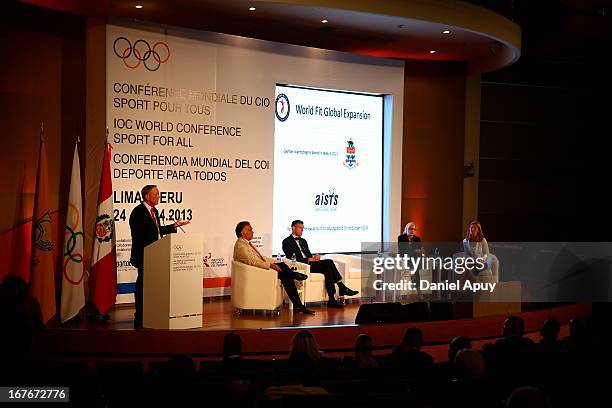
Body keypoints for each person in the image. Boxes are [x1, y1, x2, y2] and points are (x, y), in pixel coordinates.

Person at [129, 185, 190, 328]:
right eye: (155, 194)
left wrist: (174, 226)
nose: (158, 196)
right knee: (143, 286)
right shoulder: (138, 212)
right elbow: (138, 235)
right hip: (144, 255)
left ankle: (151, 313)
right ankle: (140, 316)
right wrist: (153, 248)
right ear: (147, 196)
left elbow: (157, 231)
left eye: (158, 194)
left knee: (152, 287)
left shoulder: (154, 211)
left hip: (155, 255)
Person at [233, 221, 314, 314]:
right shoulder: (241, 246)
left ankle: (298, 304)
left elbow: (261, 258)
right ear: (242, 233)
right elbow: (252, 261)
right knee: (286, 274)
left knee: (284, 270)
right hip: (256, 273)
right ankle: (297, 300)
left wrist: (275, 262)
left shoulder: (246, 243)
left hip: (259, 270)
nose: (253, 232)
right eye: (250, 230)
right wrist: (270, 265)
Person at [282, 220, 358, 308]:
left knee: (328, 270)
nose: (302, 230)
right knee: (329, 262)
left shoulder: (303, 241)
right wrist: (309, 259)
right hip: (302, 266)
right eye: (300, 228)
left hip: (310, 263)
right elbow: (292, 258)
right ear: (293, 228)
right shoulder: (286, 241)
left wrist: (315, 257)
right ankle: (341, 286)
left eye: (303, 228)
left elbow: (308, 254)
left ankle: (332, 300)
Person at [398, 222, 424, 297]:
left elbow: (422, 251)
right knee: (415, 270)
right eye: (410, 229)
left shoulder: (417, 239)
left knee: (415, 270)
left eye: (414, 229)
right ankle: (419, 292)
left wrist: (415, 251)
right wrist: (414, 250)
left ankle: (419, 292)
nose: (412, 231)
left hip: (414, 260)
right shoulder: (401, 238)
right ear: (406, 229)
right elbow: (403, 251)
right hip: (404, 258)